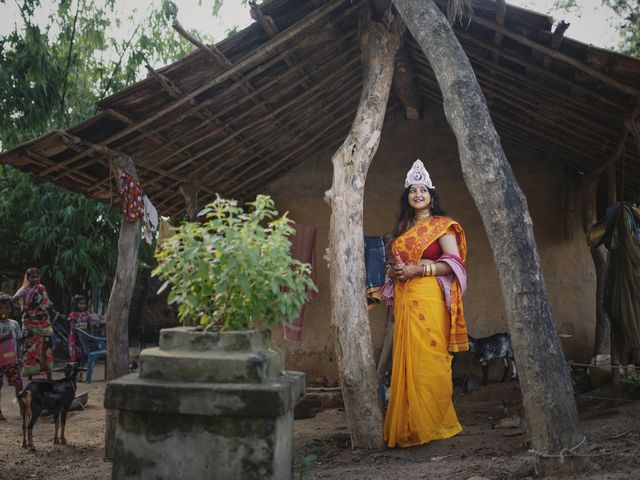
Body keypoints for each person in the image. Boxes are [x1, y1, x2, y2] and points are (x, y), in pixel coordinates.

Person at [383, 159, 469, 448]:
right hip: (406, 299)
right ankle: (410, 425)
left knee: (430, 359)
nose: (418, 194)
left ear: (432, 195)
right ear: (407, 197)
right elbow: (397, 265)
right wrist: (394, 271)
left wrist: (418, 270)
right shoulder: (402, 227)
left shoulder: (442, 226)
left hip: (430, 298)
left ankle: (436, 423)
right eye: (412, 190)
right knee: (407, 361)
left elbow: (454, 264)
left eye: (423, 189)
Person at [12, 268, 53, 381]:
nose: (35, 279)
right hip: (30, 324)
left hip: (44, 324)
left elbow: (47, 303)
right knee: (30, 349)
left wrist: (51, 307)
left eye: (37, 276)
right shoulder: (24, 290)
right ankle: (30, 378)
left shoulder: (42, 288)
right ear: (28, 278)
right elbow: (13, 300)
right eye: (32, 277)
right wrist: (23, 308)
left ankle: (49, 376)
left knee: (46, 349)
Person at [0, 293, 23, 421]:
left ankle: (22, 409)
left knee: (18, 384)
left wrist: (20, 357)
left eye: (6, 308)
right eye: (0, 308)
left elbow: (18, 343)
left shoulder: (14, 324)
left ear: (11, 309)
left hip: (11, 361)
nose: (3, 310)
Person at [67, 294, 102, 369]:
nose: (83, 305)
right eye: (81, 304)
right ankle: (75, 372)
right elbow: (73, 327)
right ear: (76, 304)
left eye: (84, 304)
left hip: (86, 337)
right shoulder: (73, 314)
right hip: (75, 338)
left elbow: (90, 326)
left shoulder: (87, 314)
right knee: (76, 356)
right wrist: (80, 330)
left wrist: (92, 336)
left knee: (84, 354)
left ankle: (81, 370)